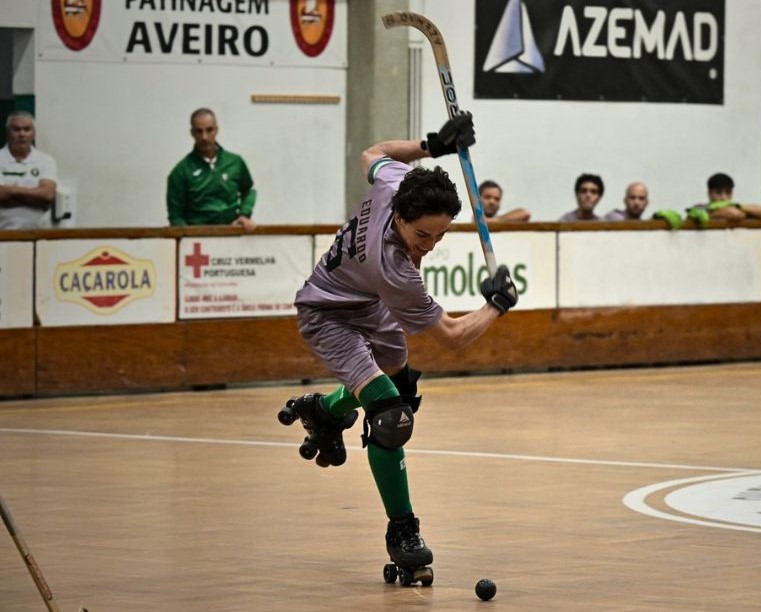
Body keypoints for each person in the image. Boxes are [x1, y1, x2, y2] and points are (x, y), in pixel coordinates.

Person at [281, 111, 518, 586]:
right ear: (400, 217)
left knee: (397, 379)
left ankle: (327, 411)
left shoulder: (395, 183)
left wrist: (432, 144)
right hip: (329, 314)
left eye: (440, 235)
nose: (427, 247)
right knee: (391, 416)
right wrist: (497, 305)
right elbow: (451, 338)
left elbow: (376, 155)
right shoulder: (394, 267)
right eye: (421, 235)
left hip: (370, 303)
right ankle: (403, 532)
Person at [167, 108, 257, 231]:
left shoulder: (235, 162)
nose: (204, 137)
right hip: (197, 240)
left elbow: (248, 190)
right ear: (192, 133)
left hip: (231, 233)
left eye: (209, 130)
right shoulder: (181, 171)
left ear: (216, 130)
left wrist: (244, 215)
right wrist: (187, 238)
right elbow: (176, 216)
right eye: (199, 131)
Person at [0, 111, 58, 230]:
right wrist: (36, 198)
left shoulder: (46, 160)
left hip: (39, 235)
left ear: (33, 133)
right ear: (7, 132)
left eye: (27, 129)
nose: (22, 134)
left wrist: (12, 191)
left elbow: (47, 195)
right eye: (16, 129)